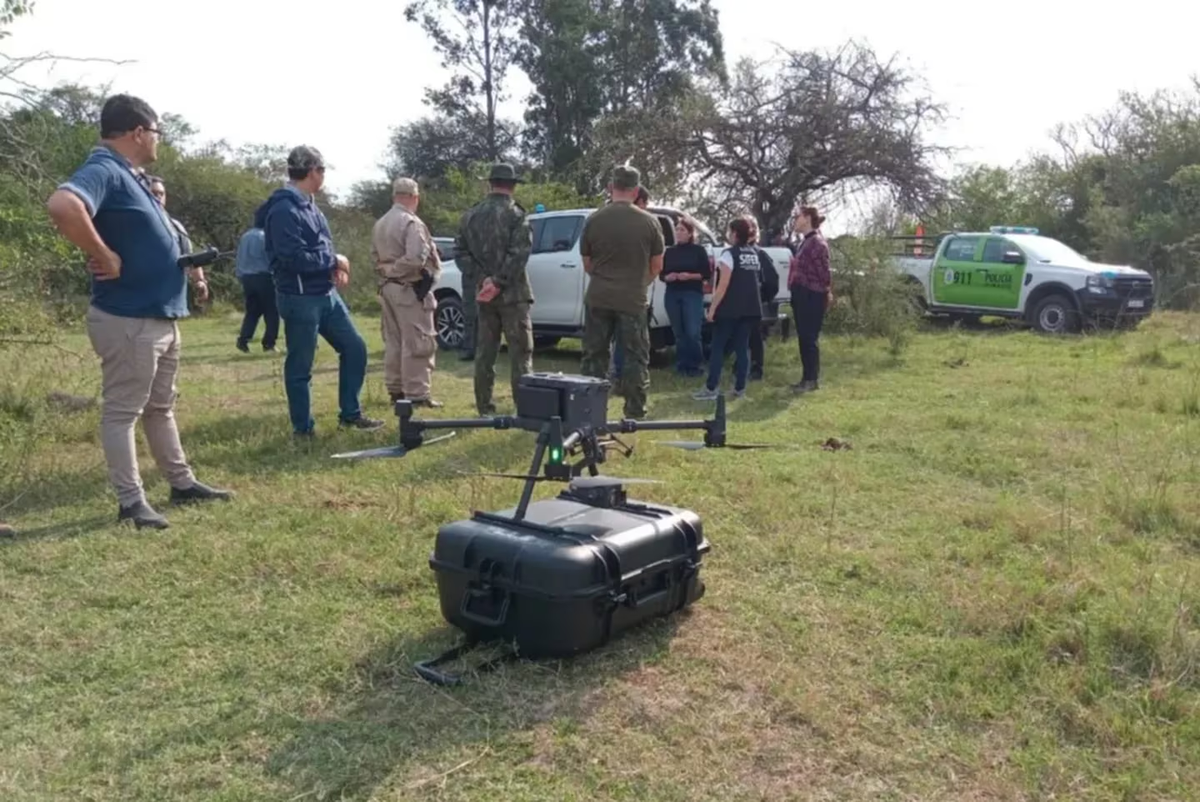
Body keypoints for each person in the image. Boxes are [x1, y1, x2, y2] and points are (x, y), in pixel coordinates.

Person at [45, 93, 232, 530]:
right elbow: (63, 205)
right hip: (129, 317)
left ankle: (181, 483)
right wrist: (103, 254)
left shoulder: (131, 175)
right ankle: (131, 503)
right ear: (138, 132)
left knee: (161, 406)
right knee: (123, 410)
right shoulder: (105, 169)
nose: (158, 142)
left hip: (156, 315)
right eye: (157, 133)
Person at [256, 145, 382, 435]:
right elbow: (293, 258)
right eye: (322, 170)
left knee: (355, 348)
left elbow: (322, 245)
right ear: (312, 171)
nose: (324, 175)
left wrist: (333, 265)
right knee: (301, 365)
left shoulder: (310, 205)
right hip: (299, 298)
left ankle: (350, 414)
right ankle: (303, 429)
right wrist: (335, 260)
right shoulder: (284, 210)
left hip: (326, 294)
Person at [578, 165, 664, 419]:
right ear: (636, 190)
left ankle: (588, 411)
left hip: (599, 297)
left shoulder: (594, 219)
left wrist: (605, 278)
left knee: (594, 356)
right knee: (635, 357)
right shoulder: (650, 222)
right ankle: (635, 411)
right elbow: (657, 265)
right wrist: (638, 282)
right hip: (633, 299)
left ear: (610, 188)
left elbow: (587, 263)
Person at [454, 163, 534, 415]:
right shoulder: (516, 214)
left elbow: (459, 253)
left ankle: (484, 406)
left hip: (484, 296)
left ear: (490, 183)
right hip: (513, 296)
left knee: (485, 353)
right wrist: (498, 281)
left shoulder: (470, 215)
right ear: (512, 185)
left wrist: (485, 280)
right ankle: (525, 407)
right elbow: (520, 253)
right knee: (521, 354)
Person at [371, 176, 443, 409]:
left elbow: (375, 257)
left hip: (387, 289)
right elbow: (415, 257)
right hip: (408, 288)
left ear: (394, 196)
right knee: (418, 341)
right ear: (415, 197)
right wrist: (397, 270)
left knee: (394, 341)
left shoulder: (380, 223)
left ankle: (396, 389)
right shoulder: (411, 222)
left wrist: (388, 272)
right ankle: (417, 393)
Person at [693, 217, 763, 401]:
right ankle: (740, 389)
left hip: (730, 308)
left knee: (718, 347)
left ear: (733, 233)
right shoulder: (753, 254)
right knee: (742, 348)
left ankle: (711, 388)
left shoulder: (728, 254)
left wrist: (712, 308)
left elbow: (723, 285)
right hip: (750, 308)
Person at [609, 184, 654, 381]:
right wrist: (643, 283)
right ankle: (628, 376)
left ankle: (616, 373)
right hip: (633, 292)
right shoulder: (646, 225)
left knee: (617, 336)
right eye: (646, 203)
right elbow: (656, 263)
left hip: (610, 288)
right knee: (633, 338)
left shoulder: (609, 221)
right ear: (640, 201)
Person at [788, 205, 833, 394]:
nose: (795, 221)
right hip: (801, 294)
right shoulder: (804, 242)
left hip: (812, 295)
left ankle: (811, 379)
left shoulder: (817, 243)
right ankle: (806, 377)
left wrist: (826, 293)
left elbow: (825, 274)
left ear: (806, 218)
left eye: (797, 217)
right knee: (803, 338)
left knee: (809, 338)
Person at [658, 216, 710, 376]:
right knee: (679, 332)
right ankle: (682, 365)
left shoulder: (698, 251)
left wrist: (689, 276)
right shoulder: (670, 252)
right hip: (673, 293)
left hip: (691, 293)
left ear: (690, 233)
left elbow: (705, 274)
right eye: (677, 229)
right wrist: (669, 277)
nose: (678, 233)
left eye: (682, 230)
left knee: (692, 331)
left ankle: (695, 365)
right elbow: (662, 274)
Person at [234, 225, 279, 352]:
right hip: (264, 276)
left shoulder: (245, 236)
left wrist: (240, 274)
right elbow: (270, 257)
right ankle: (269, 343)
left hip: (247, 277)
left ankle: (243, 340)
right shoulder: (265, 236)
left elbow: (239, 257)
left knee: (252, 311)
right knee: (272, 311)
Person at [746, 217, 780, 381]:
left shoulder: (760, 254)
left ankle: (756, 368)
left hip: (754, 303)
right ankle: (741, 366)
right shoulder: (732, 253)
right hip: (737, 304)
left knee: (755, 336)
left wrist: (763, 298)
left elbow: (772, 281)